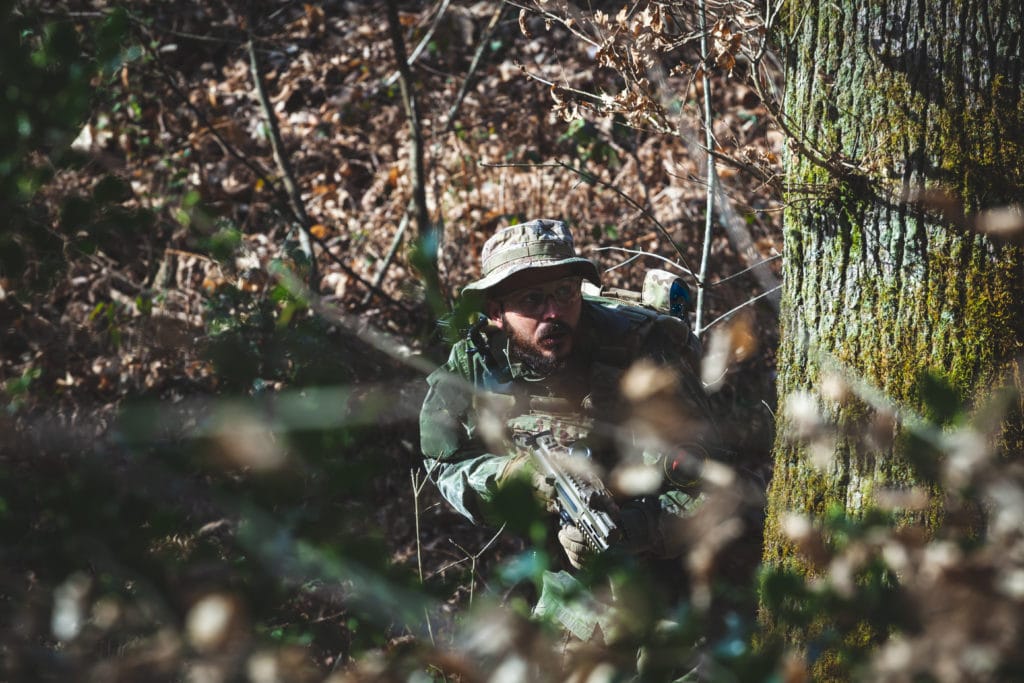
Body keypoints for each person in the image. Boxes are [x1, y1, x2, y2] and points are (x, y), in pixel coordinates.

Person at [419, 219, 717, 646]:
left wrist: (637, 530)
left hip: (674, 576)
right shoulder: (474, 362)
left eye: (565, 292)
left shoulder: (638, 350)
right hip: (563, 583)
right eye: (532, 299)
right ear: (494, 312)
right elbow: (443, 460)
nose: (554, 313)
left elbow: (710, 478)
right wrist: (510, 477)